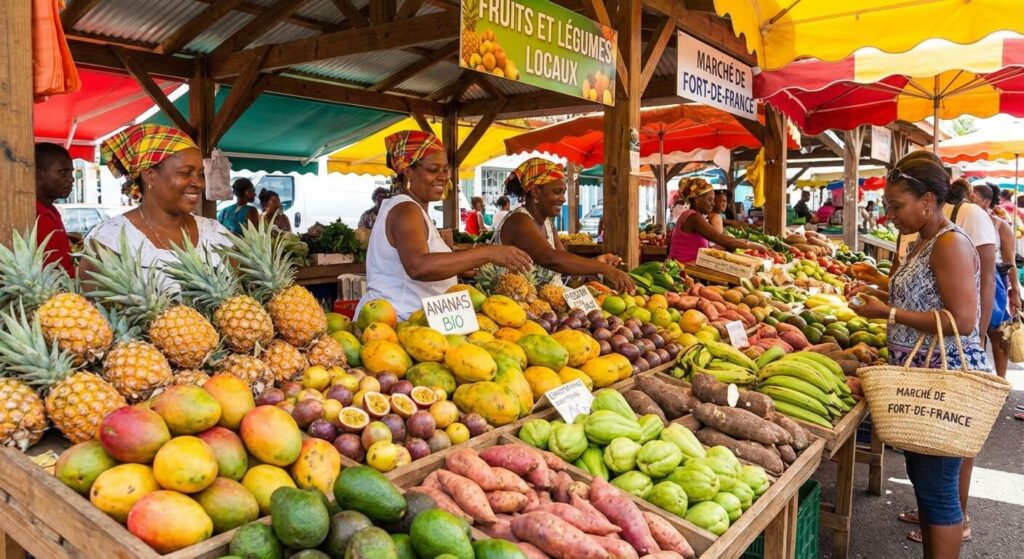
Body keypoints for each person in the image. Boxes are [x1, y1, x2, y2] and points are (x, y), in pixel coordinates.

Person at [850, 152, 990, 559]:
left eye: (897, 205)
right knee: (928, 487)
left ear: (927, 200)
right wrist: (879, 288)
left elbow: (962, 320)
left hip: (940, 382)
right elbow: (923, 294)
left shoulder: (949, 242)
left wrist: (887, 312)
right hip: (920, 381)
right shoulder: (924, 241)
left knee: (939, 493)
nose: (890, 214)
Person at [357, 130, 532, 320]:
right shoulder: (406, 210)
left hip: (418, 320)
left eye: (445, 169)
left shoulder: (412, 208)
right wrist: (488, 252)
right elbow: (419, 266)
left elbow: (419, 258)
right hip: (396, 323)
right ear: (408, 172)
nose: (443, 176)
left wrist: (461, 263)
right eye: (433, 170)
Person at [81, 124, 231, 288]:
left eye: (201, 174)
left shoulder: (216, 234)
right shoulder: (109, 240)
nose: (198, 183)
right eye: (186, 172)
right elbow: (92, 309)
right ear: (150, 176)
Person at [492, 158, 634, 293]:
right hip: (513, 309)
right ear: (535, 191)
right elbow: (550, 258)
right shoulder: (519, 220)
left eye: (563, 192)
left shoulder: (547, 222)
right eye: (557, 192)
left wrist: (595, 262)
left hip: (546, 307)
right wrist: (604, 269)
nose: (563, 198)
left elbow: (563, 260)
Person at [971, 183, 1020, 378]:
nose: (970, 200)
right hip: (971, 281)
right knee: (974, 332)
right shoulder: (966, 218)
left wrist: (1014, 291)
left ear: (986, 201)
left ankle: (1001, 380)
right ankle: (978, 377)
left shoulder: (1001, 227)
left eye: (973, 196)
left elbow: (1010, 262)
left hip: (996, 282)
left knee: (997, 333)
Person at [668, 178, 773, 264]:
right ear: (697, 200)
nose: (713, 204)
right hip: (683, 270)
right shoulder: (694, 218)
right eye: (710, 199)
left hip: (686, 266)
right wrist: (755, 246)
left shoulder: (691, 216)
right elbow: (722, 239)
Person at [34, 142, 76, 278]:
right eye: (63, 172)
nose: (71, 179)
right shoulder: (33, 214)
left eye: (71, 172)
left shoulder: (51, 210)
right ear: (39, 174)